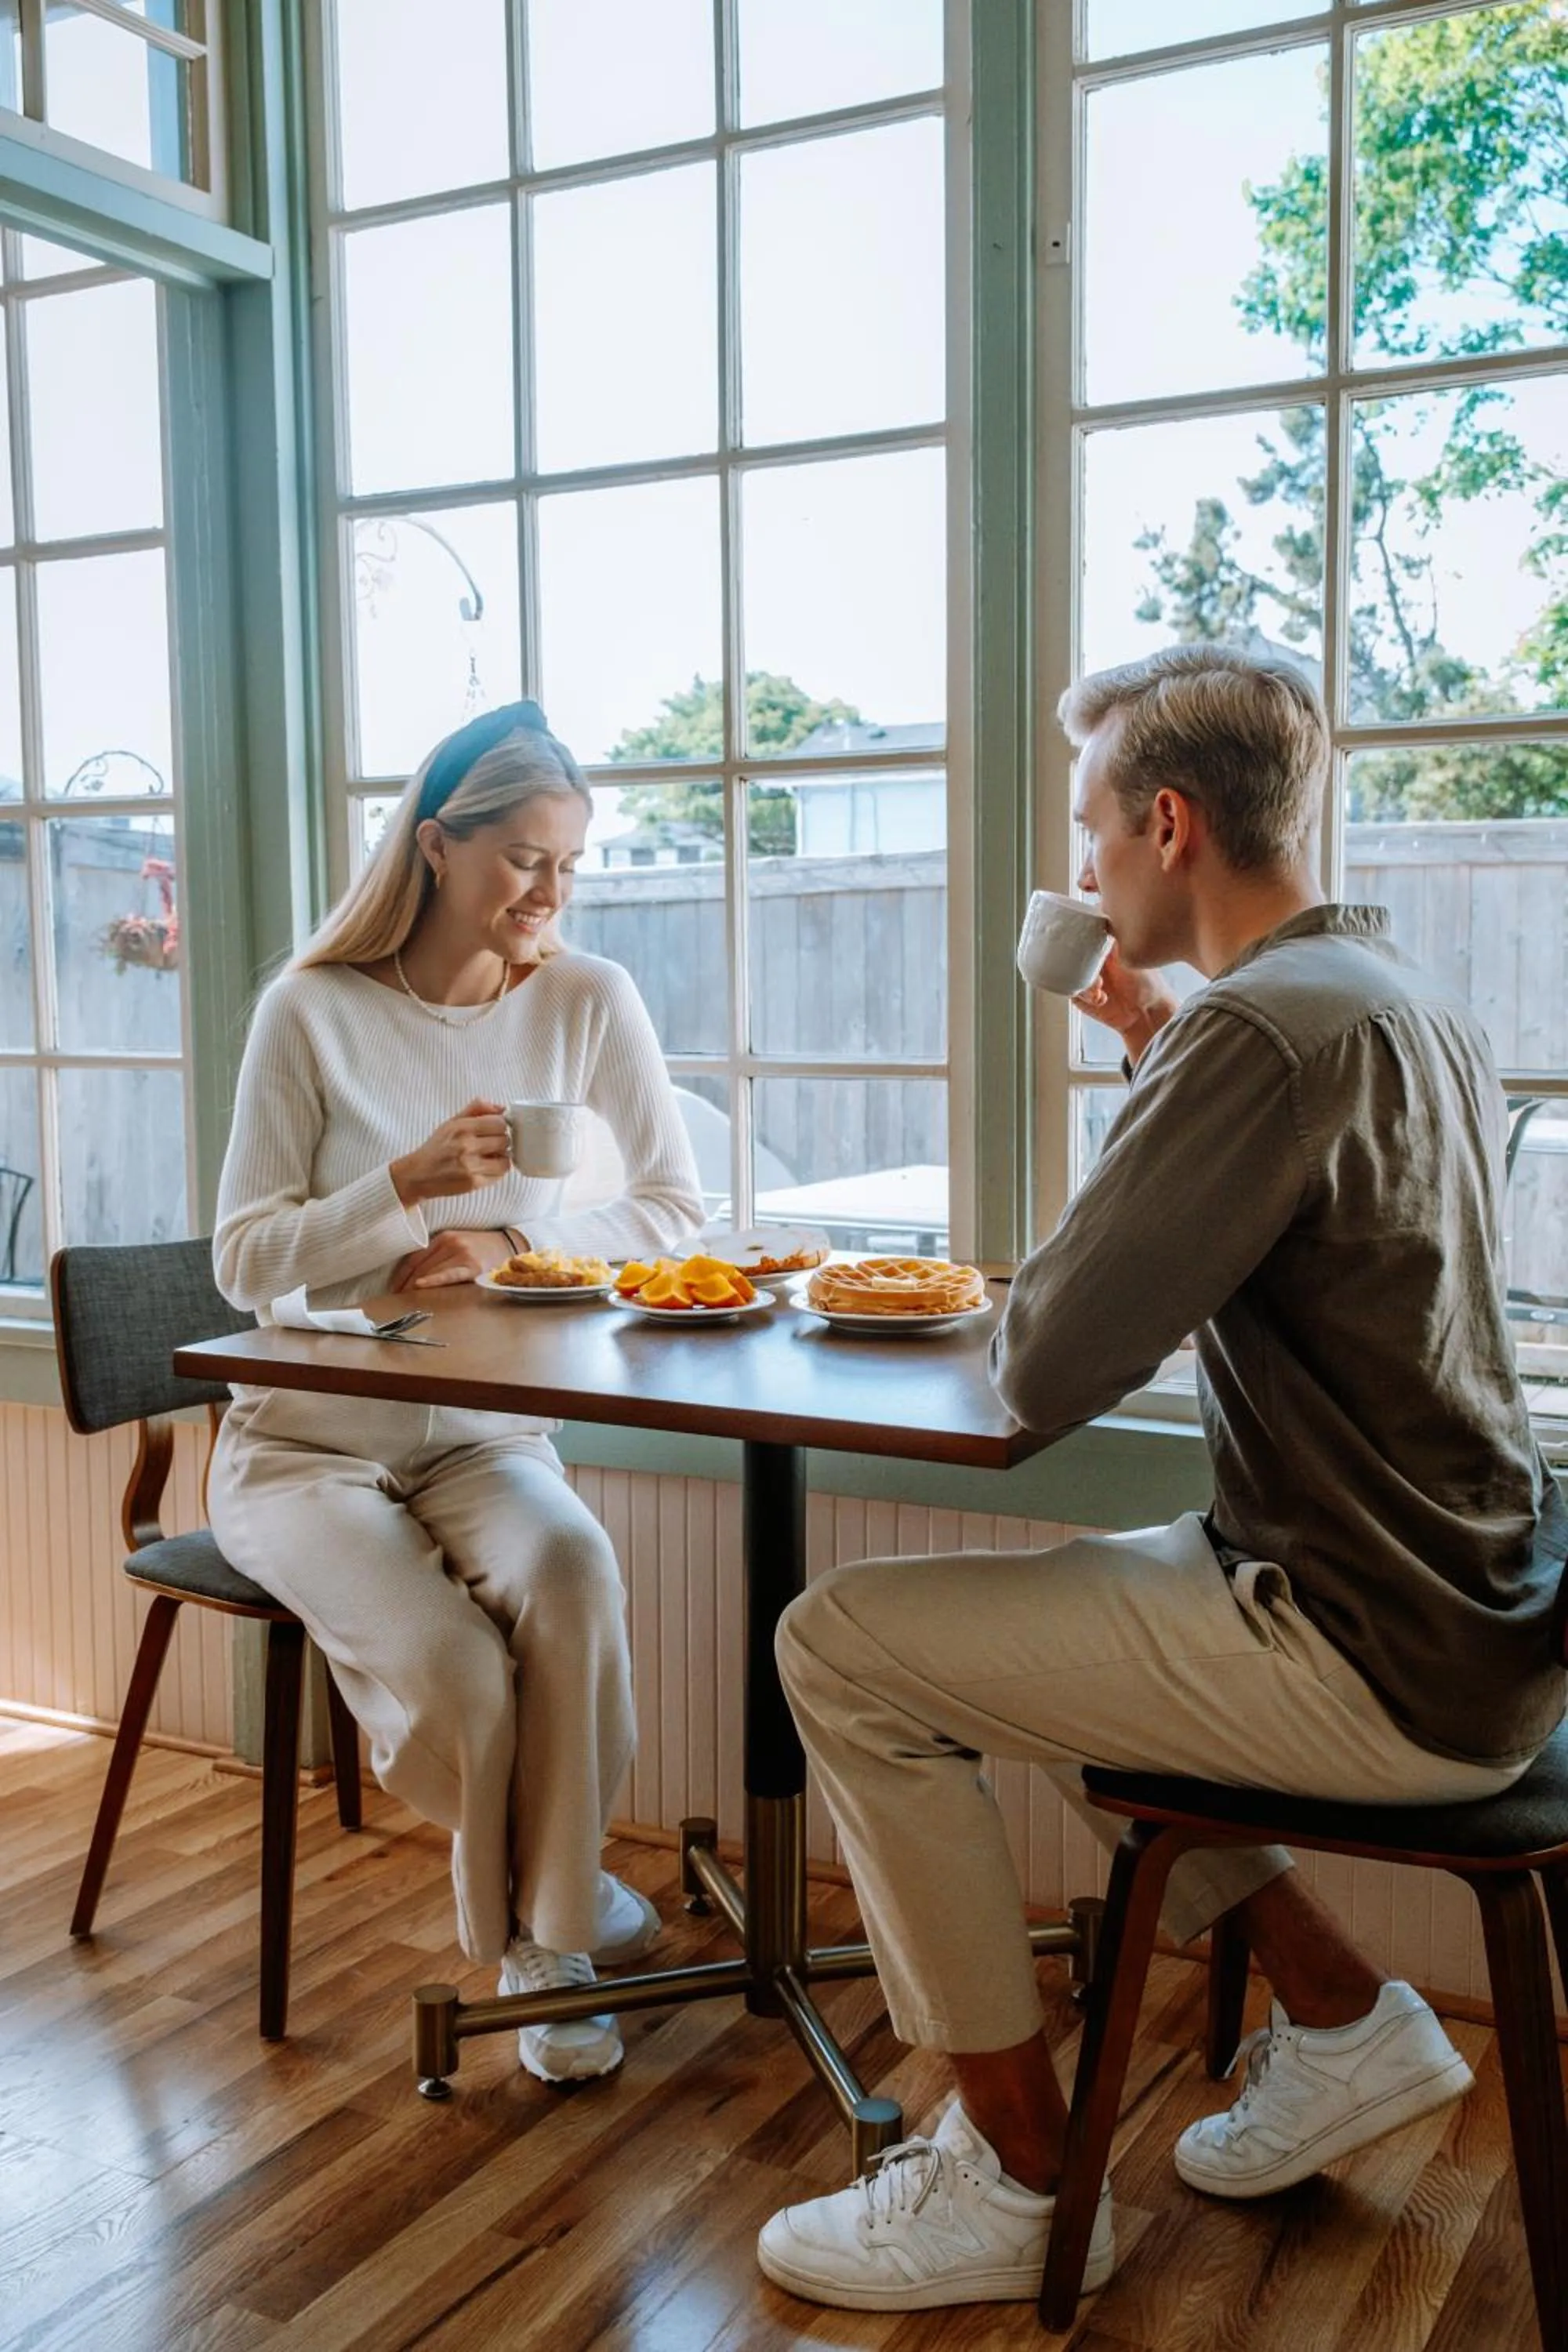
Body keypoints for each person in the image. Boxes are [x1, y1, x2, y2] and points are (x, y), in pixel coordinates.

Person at [757, 646, 1568, 2312]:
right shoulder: (1393, 999)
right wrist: (1165, 1063)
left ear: (1171, 823)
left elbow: (1045, 1364)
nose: (1079, 870)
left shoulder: (1259, 1036)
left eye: (1087, 830)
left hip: (1367, 1652)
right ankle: (1343, 2021)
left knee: (839, 1648)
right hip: (1469, 1613)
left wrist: (1161, 1096)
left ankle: (1013, 2179)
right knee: (1049, 1653)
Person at [208, 699, 705, 2084]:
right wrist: (400, 1191)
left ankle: (542, 1943)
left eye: (569, 865)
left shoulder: (588, 999)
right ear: (437, 845)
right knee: (456, 1677)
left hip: (489, 1437)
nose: (550, 893)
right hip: (305, 1450)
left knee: (577, 1574)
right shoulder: (310, 1012)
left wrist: (512, 1240)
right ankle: (557, 1921)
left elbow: (676, 1210)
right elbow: (244, 1261)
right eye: (523, 861)